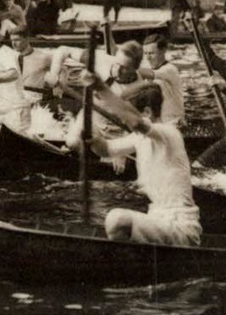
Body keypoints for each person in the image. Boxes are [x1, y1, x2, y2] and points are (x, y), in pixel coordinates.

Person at [69, 73, 201, 246]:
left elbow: (137, 123)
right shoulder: (139, 138)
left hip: (180, 226)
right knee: (113, 220)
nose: (123, 120)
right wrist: (92, 138)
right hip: (156, 218)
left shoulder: (169, 133)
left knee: (116, 219)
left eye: (128, 114)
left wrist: (101, 88)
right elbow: (106, 149)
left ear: (147, 112)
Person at [137, 34, 185, 127]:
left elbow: (147, 73)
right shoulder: (146, 66)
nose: (147, 58)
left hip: (173, 123)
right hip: (157, 123)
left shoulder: (170, 69)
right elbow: (119, 54)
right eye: (145, 53)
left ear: (163, 50)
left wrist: (124, 68)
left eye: (151, 53)